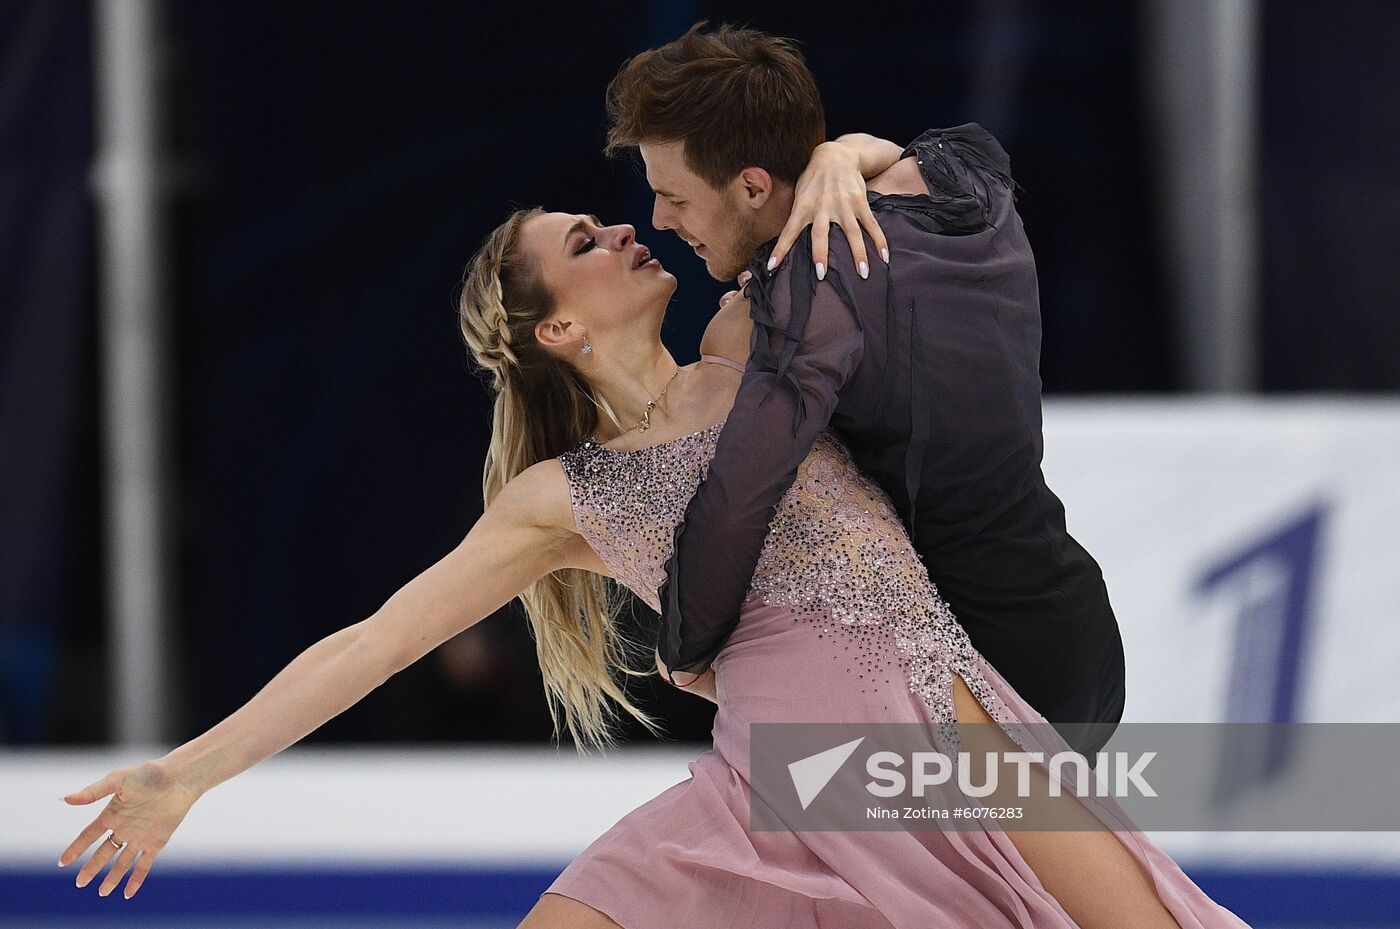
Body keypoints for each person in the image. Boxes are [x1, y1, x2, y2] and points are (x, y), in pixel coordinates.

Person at [58, 182, 1254, 926]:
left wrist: (840, 160)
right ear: (559, 327)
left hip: (942, 736)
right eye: (584, 239)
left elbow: (912, 189)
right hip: (757, 802)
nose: (624, 226)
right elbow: (375, 640)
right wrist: (188, 772)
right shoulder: (557, 498)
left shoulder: (752, 339)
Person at [609, 22, 1127, 759]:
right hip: (1079, 638)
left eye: (674, 198)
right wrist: (842, 152)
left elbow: (741, 493)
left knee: (780, 833)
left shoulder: (810, 289)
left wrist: (681, 642)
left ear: (754, 185)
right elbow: (965, 143)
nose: (660, 220)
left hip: (986, 679)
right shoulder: (963, 181)